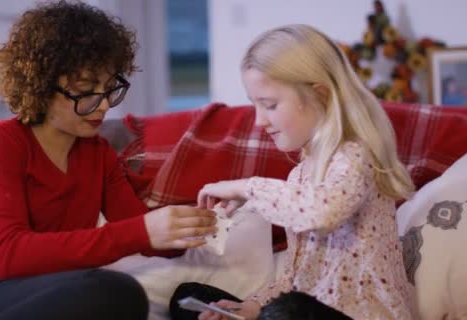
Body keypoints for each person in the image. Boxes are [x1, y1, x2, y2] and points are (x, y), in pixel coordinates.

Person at [0, 2, 217, 320]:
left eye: (109, 88)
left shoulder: (97, 153)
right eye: (86, 91)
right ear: (41, 86)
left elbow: (146, 236)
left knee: (154, 296)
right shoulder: (0, 143)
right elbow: (10, 256)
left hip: (45, 295)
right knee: (114, 291)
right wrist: (143, 231)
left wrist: (196, 224)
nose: (102, 106)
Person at [171, 24, 415, 319]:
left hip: (361, 314)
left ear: (320, 95)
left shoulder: (355, 154)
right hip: (301, 307)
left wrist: (246, 188)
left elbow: (322, 213)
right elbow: (294, 279)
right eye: (255, 105)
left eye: (270, 105)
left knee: (292, 310)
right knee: (189, 297)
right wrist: (249, 308)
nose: (259, 121)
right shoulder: (298, 176)